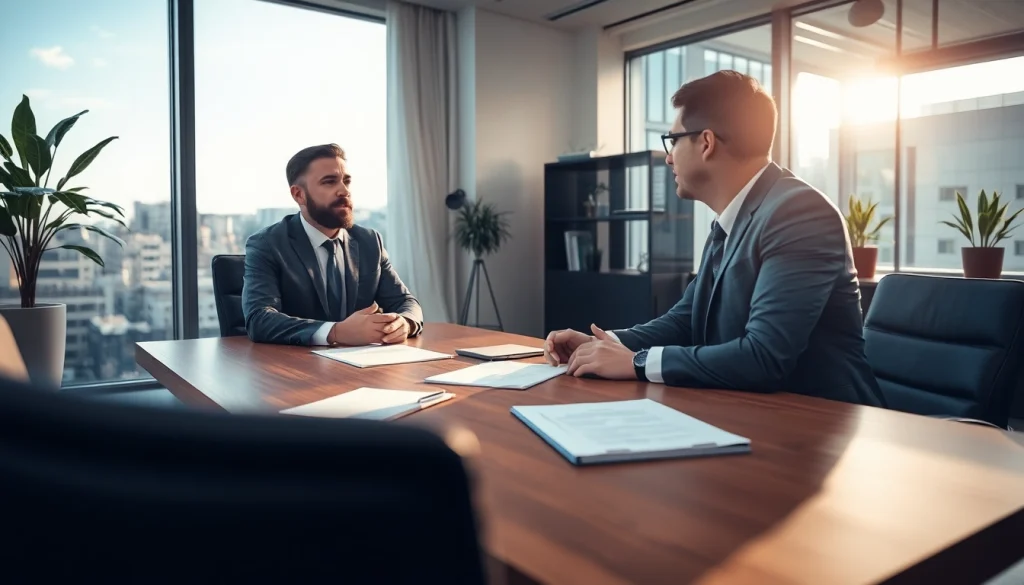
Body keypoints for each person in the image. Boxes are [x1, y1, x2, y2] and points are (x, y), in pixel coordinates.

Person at [544, 71, 884, 407]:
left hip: (823, 425)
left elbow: (763, 357)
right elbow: (686, 320)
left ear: (706, 143)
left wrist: (638, 362)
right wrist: (601, 344)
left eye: (673, 140)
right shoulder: (731, 221)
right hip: (751, 413)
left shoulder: (799, 213)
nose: (668, 156)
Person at [242, 143, 424, 346]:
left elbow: (406, 302)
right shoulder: (267, 244)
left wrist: (404, 323)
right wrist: (334, 332)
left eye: (346, 181)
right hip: (296, 368)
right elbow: (259, 319)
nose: (344, 191)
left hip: (362, 367)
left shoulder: (370, 242)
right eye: (329, 182)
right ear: (298, 194)